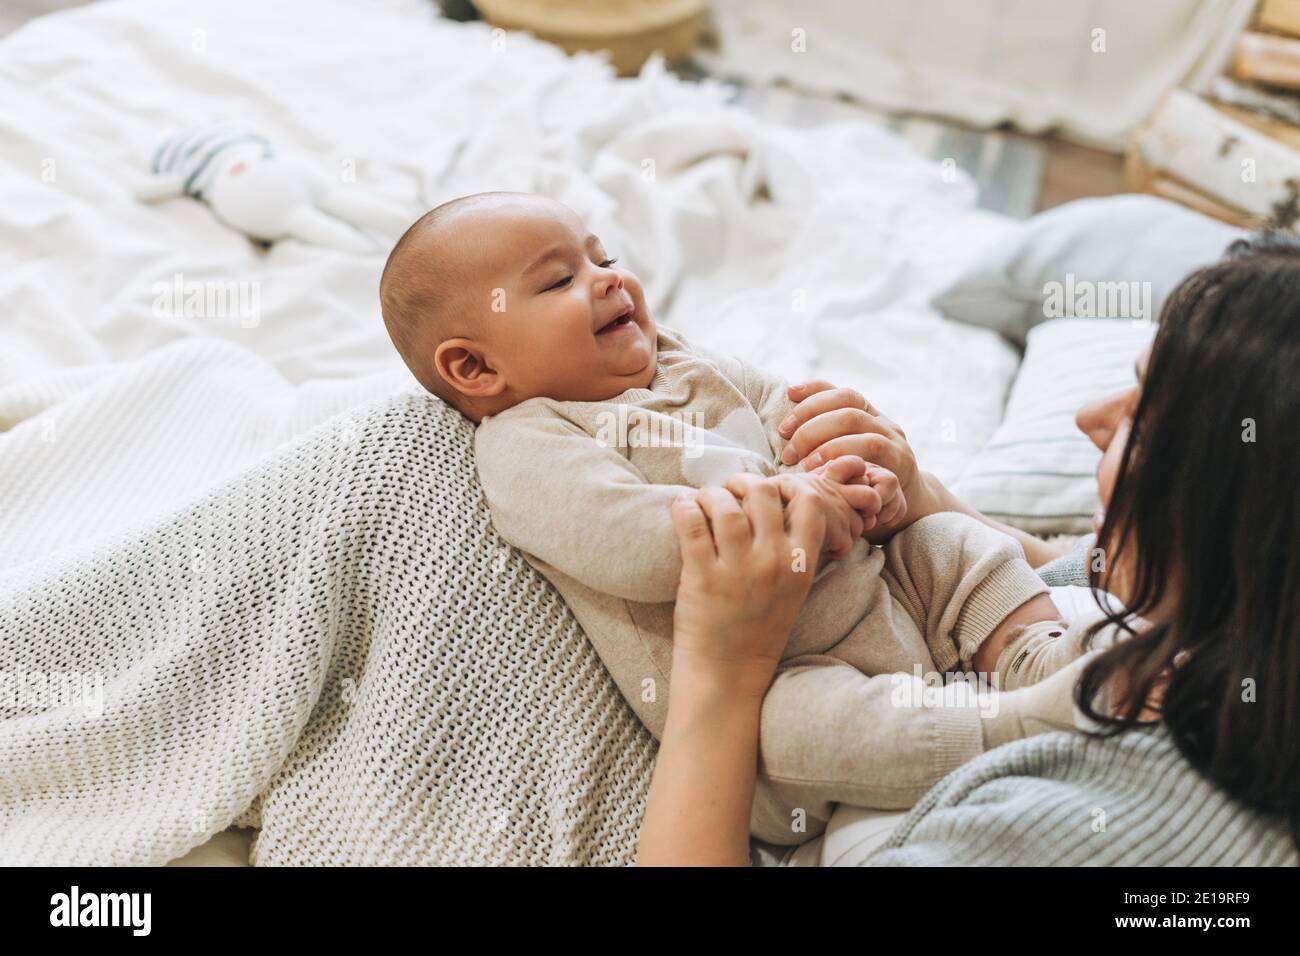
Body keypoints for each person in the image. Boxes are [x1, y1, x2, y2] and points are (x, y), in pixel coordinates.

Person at [380, 191, 1092, 844]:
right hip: (778, 678)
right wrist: (796, 505)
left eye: (604, 258)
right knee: (796, 729)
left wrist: (853, 468)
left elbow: (788, 417)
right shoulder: (531, 442)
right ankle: (1016, 726)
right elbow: (635, 546)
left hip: (877, 587)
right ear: (475, 369)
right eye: (559, 281)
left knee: (944, 540)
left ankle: (1036, 652)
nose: (608, 280)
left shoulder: (682, 359)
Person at [638, 233, 1300, 866]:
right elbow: (1075, 569)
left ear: (1245, 522)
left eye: (1145, 426)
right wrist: (924, 499)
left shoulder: (1076, 822)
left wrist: (720, 664)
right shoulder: (1244, 634)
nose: (1091, 418)